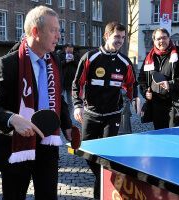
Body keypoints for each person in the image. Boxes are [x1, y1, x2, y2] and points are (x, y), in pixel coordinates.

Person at [0, 6, 72, 199]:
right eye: (53, 30)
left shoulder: (54, 61)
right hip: (16, 146)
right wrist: (13, 119)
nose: (59, 36)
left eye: (59, 30)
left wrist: (68, 126)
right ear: (36, 31)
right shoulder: (7, 64)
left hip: (48, 147)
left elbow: (58, 99)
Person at [72, 21, 137, 199]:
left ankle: (101, 193)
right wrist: (77, 105)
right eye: (117, 36)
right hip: (90, 115)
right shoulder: (90, 57)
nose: (120, 41)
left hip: (113, 116)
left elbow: (131, 84)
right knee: (86, 152)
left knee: (108, 156)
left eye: (123, 38)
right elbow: (77, 83)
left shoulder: (125, 62)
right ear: (106, 36)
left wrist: (135, 98)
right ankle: (103, 177)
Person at [138, 28, 179, 129]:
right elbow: (141, 78)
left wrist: (171, 83)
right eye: (158, 39)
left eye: (164, 37)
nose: (161, 41)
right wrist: (145, 92)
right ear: (154, 41)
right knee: (160, 134)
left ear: (169, 38)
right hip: (157, 105)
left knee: (175, 135)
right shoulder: (150, 57)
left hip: (176, 104)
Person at [59, 43, 78, 114]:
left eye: (71, 50)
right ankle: (61, 114)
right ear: (65, 49)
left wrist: (73, 60)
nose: (70, 51)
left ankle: (70, 117)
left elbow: (79, 65)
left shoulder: (76, 55)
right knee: (61, 99)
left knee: (71, 101)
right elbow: (58, 65)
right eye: (69, 50)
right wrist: (65, 62)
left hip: (71, 81)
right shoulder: (61, 55)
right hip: (63, 80)